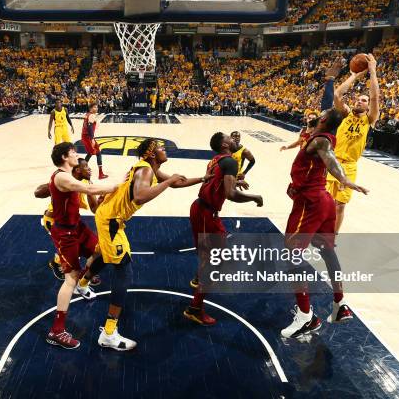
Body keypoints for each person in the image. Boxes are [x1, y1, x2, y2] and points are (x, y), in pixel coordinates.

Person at [88, 138, 209, 350]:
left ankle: (82, 282)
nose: (165, 150)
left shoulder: (149, 168)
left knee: (108, 257)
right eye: (161, 148)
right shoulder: (145, 171)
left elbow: (177, 182)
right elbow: (140, 196)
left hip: (113, 219)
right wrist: (168, 181)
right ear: (152, 153)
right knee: (123, 272)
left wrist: (203, 178)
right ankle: (108, 332)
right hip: (110, 221)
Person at [281, 107, 368, 339]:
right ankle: (340, 304)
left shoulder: (320, 139)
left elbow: (330, 158)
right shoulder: (320, 135)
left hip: (310, 203)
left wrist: (343, 179)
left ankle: (305, 316)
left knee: (291, 255)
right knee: (328, 251)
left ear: (322, 119)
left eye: (323, 111)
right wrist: (331, 79)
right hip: (323, 200)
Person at [45, 142, 119, 350]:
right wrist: (121, 184)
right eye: (72, 152)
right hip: (64, 232)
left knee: (104, 250)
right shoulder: (61, 177)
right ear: (63, 158)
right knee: (70, 278)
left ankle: (83, 280)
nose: (76, 154)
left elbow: (91, 195)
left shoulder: (73, 176)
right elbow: (89, 188)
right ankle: (56, 330)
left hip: (77, 227)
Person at [185, 132, 263, 325]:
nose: (235, 140)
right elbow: (229, 194)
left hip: (201, 208)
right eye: (231, 138)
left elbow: (216, 181)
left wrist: (235, 181)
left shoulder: (217, 159)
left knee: (212, 254)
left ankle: (197, 278)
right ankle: (195, 308)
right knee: (216, 260)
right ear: (225, 144)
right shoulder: (230, 161)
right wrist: (254, 197)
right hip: (206, 213)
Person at [327, 54, 379, 234]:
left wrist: (372, 72)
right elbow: (337, 94)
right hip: (332, 162)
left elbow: (375, 97)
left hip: (349, 166)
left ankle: (332, 237)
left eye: (364, 100)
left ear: (368, 105)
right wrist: (355, 75)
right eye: (358, 98)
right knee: (324, 202)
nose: (359, 101)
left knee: (340, 205)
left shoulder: (370, 119)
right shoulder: (346, 113)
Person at [35, 158, 101, 286]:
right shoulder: (64, 180)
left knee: (94, 248)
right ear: (77, 170)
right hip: (54, 222)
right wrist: (52, 186)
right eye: (86, 166)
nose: (89, 168)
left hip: (73, 222)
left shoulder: (87, 182)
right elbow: (37, 193)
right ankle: (58, 262)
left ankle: (84, 277)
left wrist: (104, 204)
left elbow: (94, 209)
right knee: (71, 251)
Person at [81, 103, 108, 180]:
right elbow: (89, 127)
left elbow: (89, 126)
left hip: (87, 136)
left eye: (97, 107)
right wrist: (92, 139)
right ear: (90, 108)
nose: (97, 108)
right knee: (98, 153)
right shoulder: (92, 115)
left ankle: (81, 170)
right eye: (95, 107)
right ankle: (100, 174)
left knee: (90, 153)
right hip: (88, 137)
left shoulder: (88, 114)